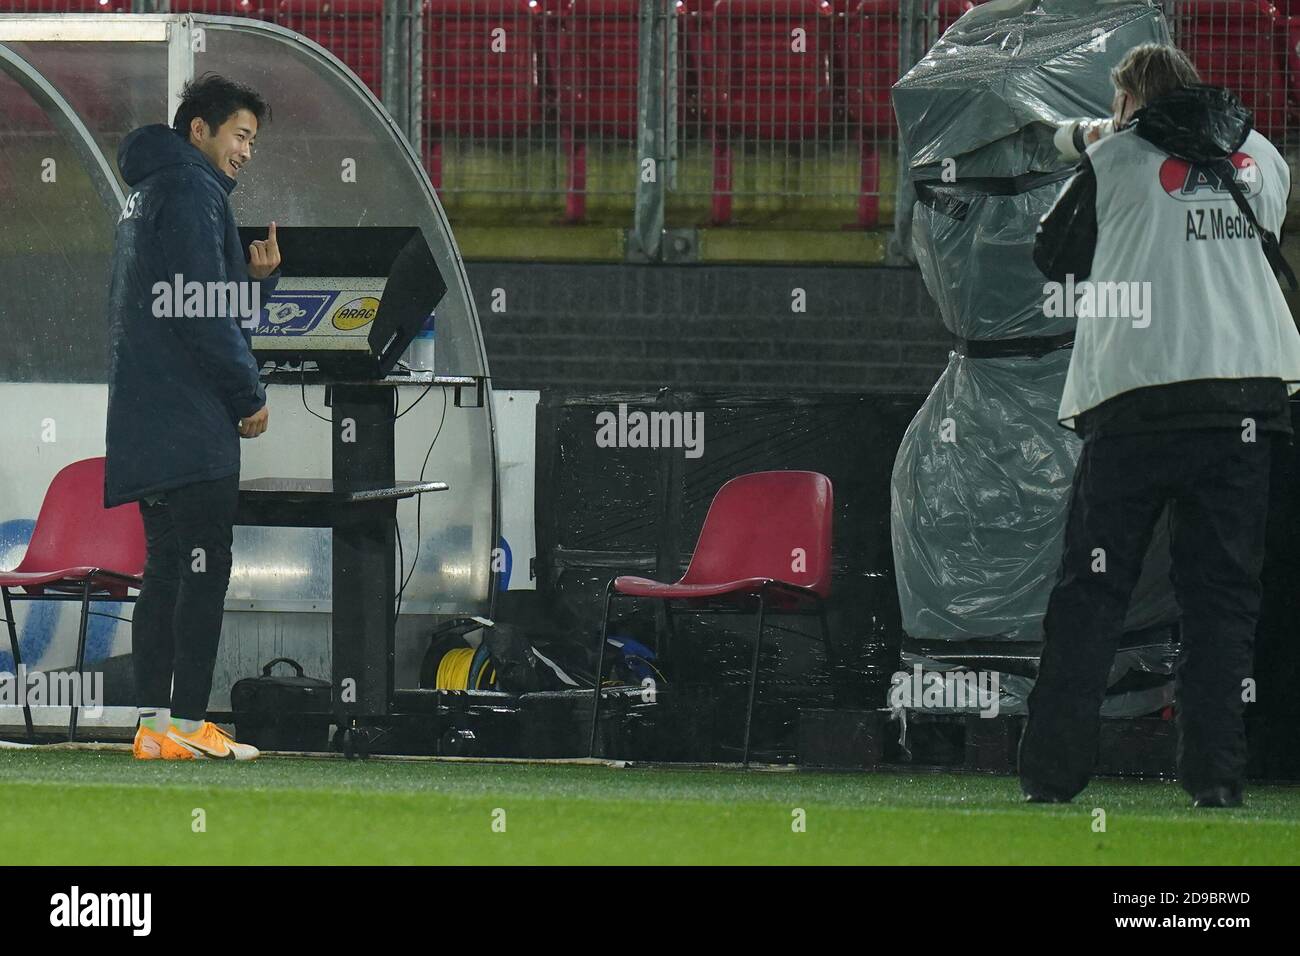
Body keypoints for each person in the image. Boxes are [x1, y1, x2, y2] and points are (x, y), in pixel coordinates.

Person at [1018, 43, 1300, 807]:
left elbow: (1055, 255)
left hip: (1137, 400)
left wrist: (1098, 146)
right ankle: (1216, 781)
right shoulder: (1264, 156)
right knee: (1221, 604)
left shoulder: (1118, 157)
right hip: (1246, 403)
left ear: (1129, 101)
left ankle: (1053, 776)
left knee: (1093, 595)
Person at [105, 74, 281, 761]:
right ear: (198, 131)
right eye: (240, 135)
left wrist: (247, 280)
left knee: (166, 570)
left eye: (253, 141)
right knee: (201, 571)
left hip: (146, 416)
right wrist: (248, 394)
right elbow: (203, 314)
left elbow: (176, 299)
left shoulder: (147, 189)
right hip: (191, 418)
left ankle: (153, 728)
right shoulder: (192, 190)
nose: (246, 152)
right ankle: (187, 724)